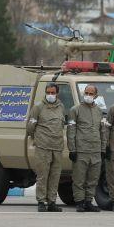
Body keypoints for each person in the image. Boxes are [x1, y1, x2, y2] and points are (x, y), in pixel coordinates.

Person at [67, 84, 108, 212]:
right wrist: (72, 149)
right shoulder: (75, 110)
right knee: (79, 178)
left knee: (93, 178)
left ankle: (88, 201)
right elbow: (71, 131)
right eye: (86, 93)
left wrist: (103, 149)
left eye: (91, 94)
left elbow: (102, 131)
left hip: (95, 151)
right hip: (81, 150)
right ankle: (79, 202)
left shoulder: (99, 111)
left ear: (95, 95)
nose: (88, 96)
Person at [27, 83, 67, 212]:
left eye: (53, 92)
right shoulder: (38, 107)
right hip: (43, 146)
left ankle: (51, 202)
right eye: (48, 92)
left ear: (57, 93)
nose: (50, 95)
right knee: (43, 175)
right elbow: (30, 127)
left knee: (55, 176)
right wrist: (38, 139)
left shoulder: (61, 106)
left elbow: (62, 125)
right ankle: (41, 201)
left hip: (57, 147)